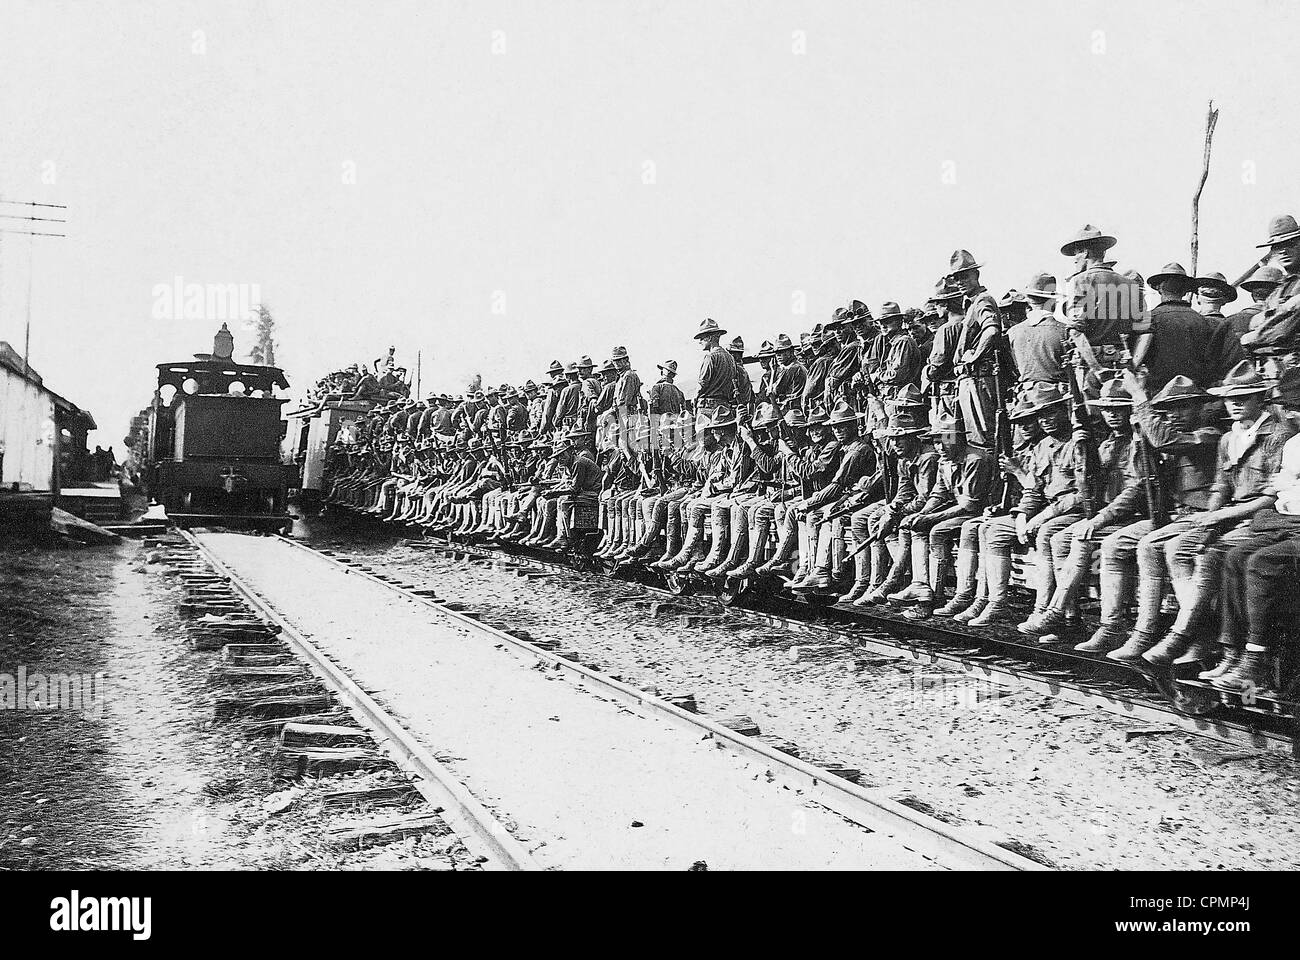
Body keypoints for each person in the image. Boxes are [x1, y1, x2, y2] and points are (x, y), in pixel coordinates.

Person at [949, 249, 1002, 450]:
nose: (960, 282)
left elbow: (992, 331)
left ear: (976, 275)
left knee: (984, 437)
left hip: (979, 378)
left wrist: (974, 358)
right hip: (972, 379)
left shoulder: (982, 301)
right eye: (956, 278)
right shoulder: (972, 304)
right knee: (975, 437)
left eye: (964, 276)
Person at [1007, 273, 1069, 390]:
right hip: (1058, 398)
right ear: (1053, 303)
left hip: (1026, 397)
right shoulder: (1064, 331)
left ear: (1029, 301)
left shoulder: (1013, 332)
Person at [694, 318, 738, 414]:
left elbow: (702, 384)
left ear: (709, 338)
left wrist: (695, 398)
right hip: (725, 408)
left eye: (702, 338)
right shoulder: (730, 358)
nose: (700, 341)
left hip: (708, 408)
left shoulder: (710, 357)